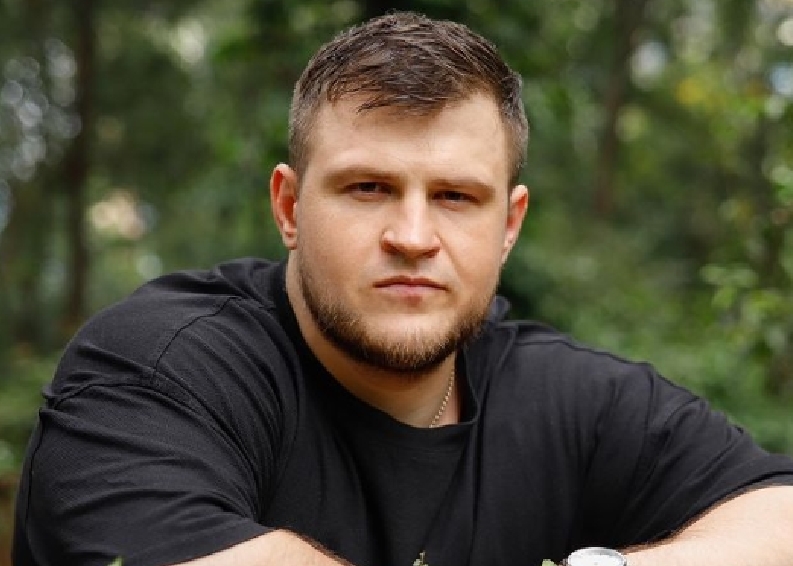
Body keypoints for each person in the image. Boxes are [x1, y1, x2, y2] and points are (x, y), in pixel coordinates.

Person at [12, 11, 793, 566]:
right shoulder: (153, 372)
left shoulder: (565, 397)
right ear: (289, 207)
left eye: (455, 196)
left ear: (508, 224)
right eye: (368, 188)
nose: (412, 236)